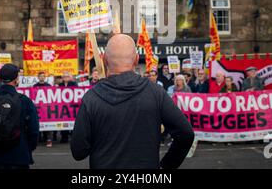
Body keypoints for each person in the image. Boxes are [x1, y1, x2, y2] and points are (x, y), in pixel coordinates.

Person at [71, 34, 194, 169]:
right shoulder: (155, 93)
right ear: (136, 59)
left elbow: (78, 151)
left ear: (104, 59)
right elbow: (185, 134)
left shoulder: (91, 98)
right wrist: (166, 166)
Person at [33, 72, 53, 147]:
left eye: (43, 76)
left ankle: (48, 139)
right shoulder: (35, 86)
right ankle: (39, 139)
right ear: (38, 77)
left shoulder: (48, 86)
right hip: (38, 108)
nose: (42, 77)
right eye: (40, 76)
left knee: (48, 123)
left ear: (45, 77)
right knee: (37, 123)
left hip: (46, 108)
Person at [59, 72, 77, 143]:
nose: (66, 78)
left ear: (70, 77)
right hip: (63, 106)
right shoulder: (60, 85)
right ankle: (64, 137)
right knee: (63, 121)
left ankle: (74, 137)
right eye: (64, 77)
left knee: (73, 122)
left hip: (72, 106)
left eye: (67, 76)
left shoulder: (73, 84)